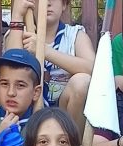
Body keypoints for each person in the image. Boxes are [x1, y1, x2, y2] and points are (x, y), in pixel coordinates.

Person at [5, 0, 96, 130]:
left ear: (64, 4)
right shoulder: (19, 32)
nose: (47, 3)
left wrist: (45, 51)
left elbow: (92, 69)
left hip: (65, 111)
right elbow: (9, 68)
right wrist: (17, 16)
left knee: (82, 82)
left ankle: (71, 139)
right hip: (27, 111)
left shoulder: (75, 35)